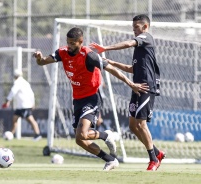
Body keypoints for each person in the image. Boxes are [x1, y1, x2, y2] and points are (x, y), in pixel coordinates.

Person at [33, 27, 149, 171]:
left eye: (72, 43)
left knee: (82, 134)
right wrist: (39, 58)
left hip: (92, 98)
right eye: (68, 42)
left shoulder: (89, 55)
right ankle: (109, 159)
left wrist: (131, 84)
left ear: (80, 41)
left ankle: (105, 135)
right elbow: (43, 62)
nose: (69, 46)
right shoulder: (62, 52)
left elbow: (111, 69)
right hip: (77, 99)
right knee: (79, 140)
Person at [89, 14, 165, 171]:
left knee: (141, 123)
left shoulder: (146, 38)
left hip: (145, 86)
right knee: (132, 125)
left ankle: (153, 159)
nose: (134, 30)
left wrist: (106, 48)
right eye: (133, 27)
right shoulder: (140, 49)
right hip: (136, 86)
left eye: (137, 27)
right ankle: (157, 153)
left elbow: (129, 43)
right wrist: (112, 62)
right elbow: (132, 69)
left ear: (145, 27)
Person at [2, 69, 42, 141]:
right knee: (15, 119)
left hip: (24, 106)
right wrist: (33, 103)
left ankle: (37, 134)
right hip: (22, 106)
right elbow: (31, 94)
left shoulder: (17, 82)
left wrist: (8, 100)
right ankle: (11, 134)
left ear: (14, 76)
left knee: (30, 120)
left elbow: (13, 92)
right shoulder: (25, 82)